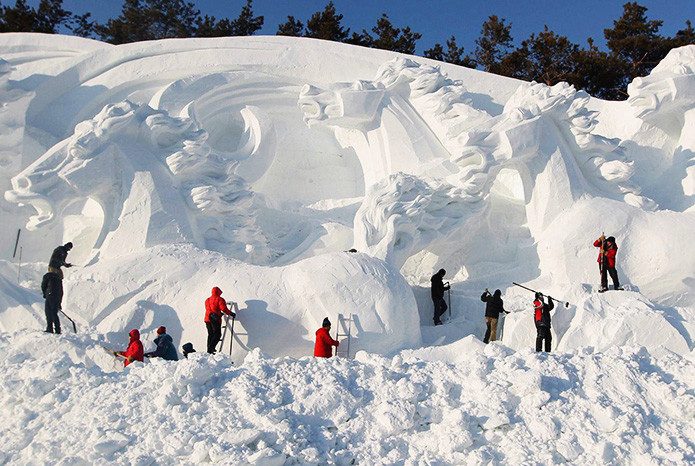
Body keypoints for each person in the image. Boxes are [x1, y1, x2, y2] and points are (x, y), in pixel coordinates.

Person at [204, 287, 234, 354]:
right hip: (214, 320)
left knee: (210, 334)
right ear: (219, 292)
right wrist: (231, 313)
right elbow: (223, 309)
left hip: (207, 319)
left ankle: (209, 350)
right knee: (217, 334)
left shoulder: (207, 300)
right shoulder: (220, 299)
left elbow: (210, 309)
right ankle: (211, 348)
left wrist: (218, 313)